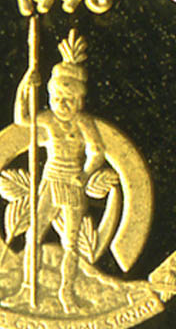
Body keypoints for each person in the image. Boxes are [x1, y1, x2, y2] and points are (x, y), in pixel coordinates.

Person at [7, 29, 105, 313]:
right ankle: (27, 288)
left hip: (72, 184)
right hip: (50, 181)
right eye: (58, 96)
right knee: (33, 235)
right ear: (50, 96)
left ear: (79, 100)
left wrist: (84, 175)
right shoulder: (48, 120)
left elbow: (97, 151)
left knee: (71, 244)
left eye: (69, 98)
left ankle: (67, 294)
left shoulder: (84, 122)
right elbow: (22, 119)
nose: (62, 103)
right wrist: (25, 86)